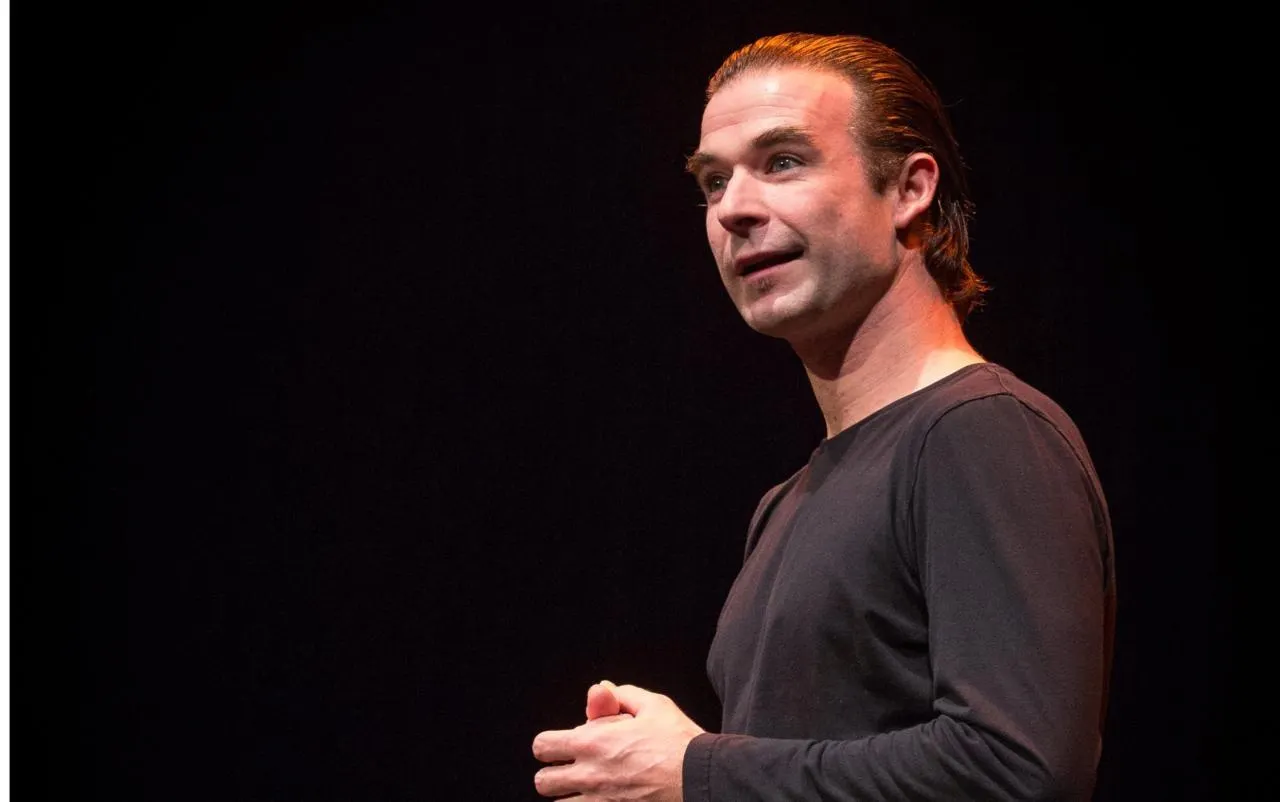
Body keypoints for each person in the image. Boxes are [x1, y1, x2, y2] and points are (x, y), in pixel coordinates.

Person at [532, 32, 1116, 801]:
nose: (734, 209)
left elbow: (1017, 773)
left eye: (783, 162)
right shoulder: (785, 503)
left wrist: (697, 772)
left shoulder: (980, 432)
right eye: (713, 181)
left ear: (909, 189)